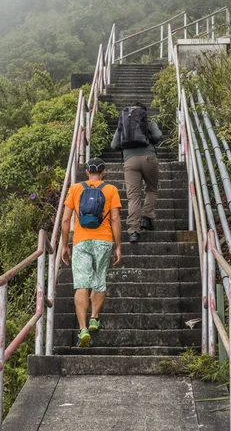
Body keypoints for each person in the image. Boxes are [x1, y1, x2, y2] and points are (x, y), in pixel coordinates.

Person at [61, 157, 122, 347]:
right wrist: (118, 246)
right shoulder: (110, 190)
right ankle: (94, 317)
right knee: (99, 279)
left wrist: (65, 245)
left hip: (81, 241)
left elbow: (65, 221)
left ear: (87, 172)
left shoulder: (75, 189)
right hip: (103, 241)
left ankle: (83, 329)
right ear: (103, 172)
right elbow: (115, 219)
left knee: (81, 285)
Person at [111, 102, 162, 243]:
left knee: (133, 197)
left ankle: (133, 231)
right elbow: (158, 136)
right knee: (151, 189)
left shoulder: (123, 124)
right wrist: (147, 139)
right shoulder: (149, 122)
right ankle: (147, 217)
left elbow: (114, 145)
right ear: (144, 112)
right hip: (149, 158)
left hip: (130, 161)